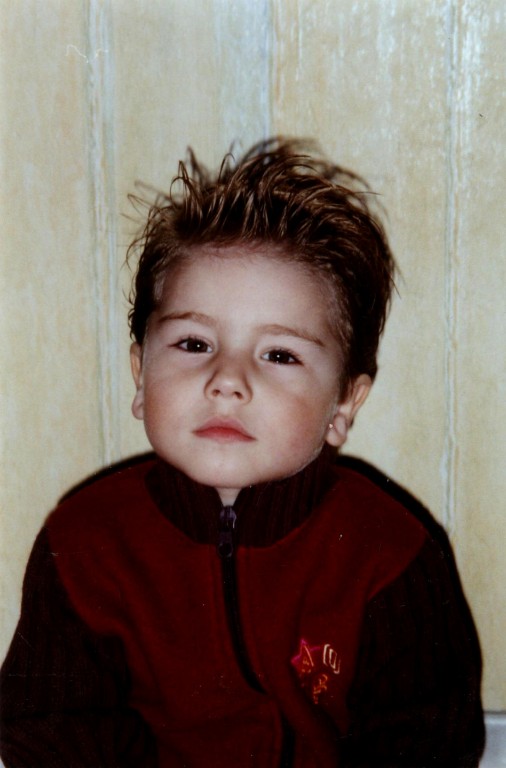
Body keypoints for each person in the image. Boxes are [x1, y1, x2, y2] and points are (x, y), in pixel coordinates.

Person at [0, 138, 484, 766]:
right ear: (141, 377)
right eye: (194, 344)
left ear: (343, 404)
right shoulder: (83, 543)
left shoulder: (390, 554)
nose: (227, 380)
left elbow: (429, 738)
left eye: (279, 354)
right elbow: (48, 727)